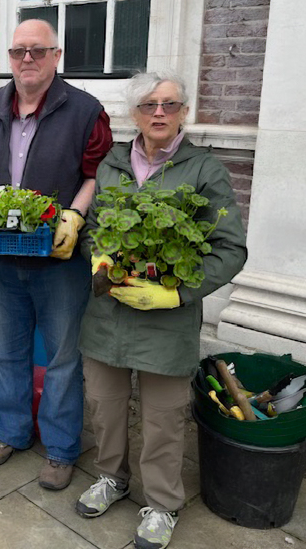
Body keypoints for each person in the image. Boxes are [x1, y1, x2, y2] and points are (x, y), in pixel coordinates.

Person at [76, 71, 247, 549]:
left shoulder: (204, 169)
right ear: (133, 114)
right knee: (105, 408)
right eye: (150, 104)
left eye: (170, 105)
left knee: (163, 418)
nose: (159, 113)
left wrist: (178, 294)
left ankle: (163, 503)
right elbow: (93, 228)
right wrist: (101, 258)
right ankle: (111, 478)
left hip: (167, 318)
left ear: (183, 114)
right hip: (108, 310)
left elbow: (230, 249)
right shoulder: (111, 163)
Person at [0, 19, 113, 490]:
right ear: (9, 57)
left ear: (57, 56)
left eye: (38, 51)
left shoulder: (85, 110)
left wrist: (75, 215)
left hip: (59, 259)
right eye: (19, 50)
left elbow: (97, 172)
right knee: (7, 351)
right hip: (1, 254)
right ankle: (11, 432)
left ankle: (61, 450)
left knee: (63, 358)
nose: (28, 59)